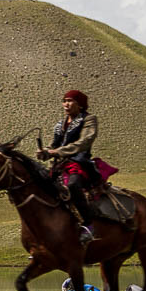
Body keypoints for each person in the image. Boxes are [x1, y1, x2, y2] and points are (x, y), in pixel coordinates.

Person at [37, 90, 100, 245]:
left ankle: (88, 225)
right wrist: (45, 152)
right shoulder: (60, 124)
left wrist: (56, 152)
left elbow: (84, 142)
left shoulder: (89, 120)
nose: (66, 104)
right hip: (59, 165)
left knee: (72, 185)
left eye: (70, 100)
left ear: (80, 104)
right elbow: (54, 145)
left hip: (79, 163)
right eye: (64, 100)